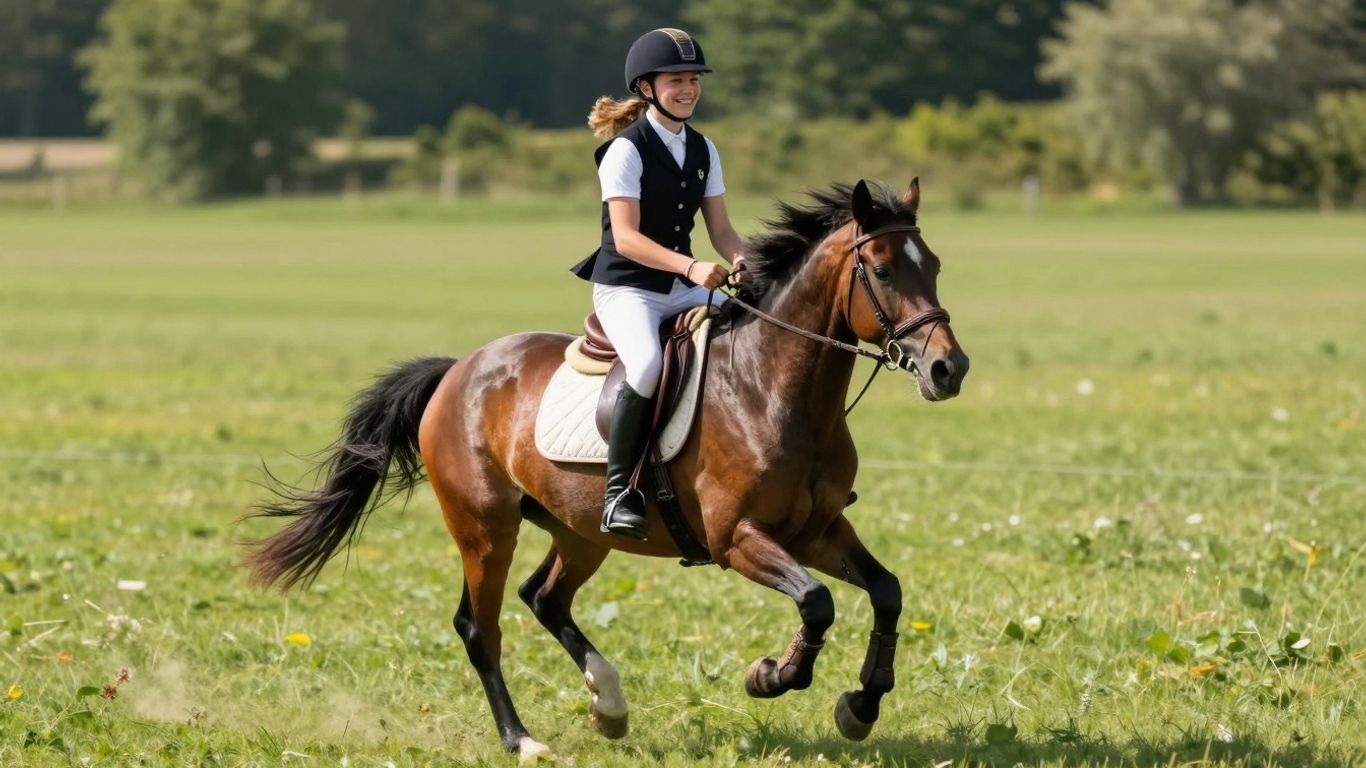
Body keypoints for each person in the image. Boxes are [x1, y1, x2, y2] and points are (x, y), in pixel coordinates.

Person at [571, 27, 747, 540]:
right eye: (676, 80)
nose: (688, 89)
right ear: (647, 87)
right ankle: (618, 492)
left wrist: (745, 261)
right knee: (646, 364)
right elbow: (625, 239)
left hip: (679, 286)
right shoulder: (625, 151)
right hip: (629, 289)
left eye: (693, 80)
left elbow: (721, 231)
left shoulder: (704, 149)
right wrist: (692, 268)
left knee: (758, 327)